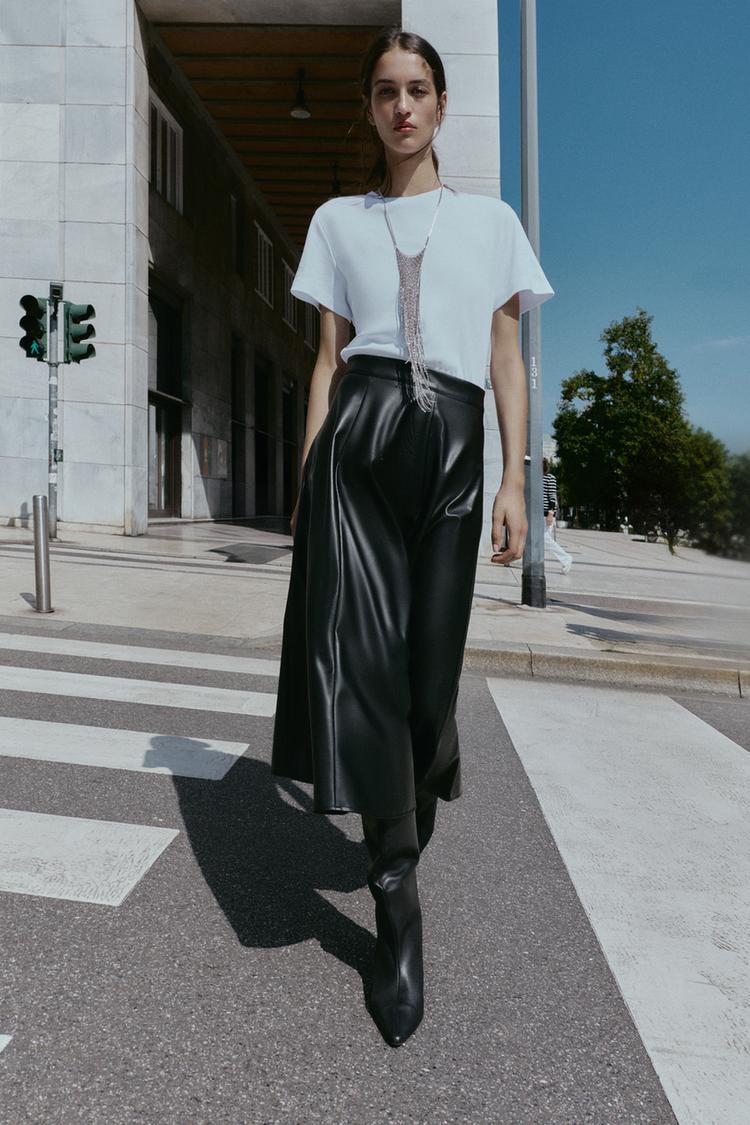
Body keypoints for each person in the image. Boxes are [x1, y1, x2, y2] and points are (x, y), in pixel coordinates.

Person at [271, 27, 553, 1048]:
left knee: (430, 682)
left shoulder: (491, 222)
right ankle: (398, 907)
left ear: (440, 105)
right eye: (385, 91)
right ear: (371, 107)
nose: (402, 107)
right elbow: (326, 361)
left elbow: (508, 357)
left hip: (454, 449)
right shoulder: (337, 221)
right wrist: (308, 474)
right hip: (361, 440)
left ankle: (403, 810)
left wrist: (518, 482)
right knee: (372, 680)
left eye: (418, 90)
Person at [543, 457, 572, 573]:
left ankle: (566, 558)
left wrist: (551, 513)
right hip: (536, 514)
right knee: (538, 538)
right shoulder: (534, 478)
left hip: (546, 515)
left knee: (545, 538)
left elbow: (552, 497)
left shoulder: (550, 478)